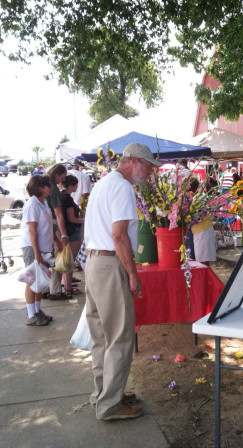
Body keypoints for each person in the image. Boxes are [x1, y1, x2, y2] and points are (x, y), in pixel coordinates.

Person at [84, 142, 162, 421]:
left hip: (94, 262)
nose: (150, 174)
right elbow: (119, 235)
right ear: (133, 162)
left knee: (101, 339)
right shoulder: (122, 187)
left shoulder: (104, 183)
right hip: (108, 263)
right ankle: (110, 403)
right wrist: (132, 274)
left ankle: (104, 394)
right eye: (149, 167)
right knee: (119, 337)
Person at [19, 175, 59, 326]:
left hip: (43, 248)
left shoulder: (43, 203)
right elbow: (32, 231)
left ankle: (37, 310)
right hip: (33, 247)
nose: (50, 187)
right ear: (40, 188)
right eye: (47, 185)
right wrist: (36, 252)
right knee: (32, 280)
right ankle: (31, 314)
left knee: (40, 281)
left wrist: (56, 240)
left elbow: (48, 226)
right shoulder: (32, 205)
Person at [44, 163, 70, 300]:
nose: (63, 180)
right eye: (62, 177)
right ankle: (55, 290)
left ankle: (46, 288)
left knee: (49, 258)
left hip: (46, 225)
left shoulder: (45, 184)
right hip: (54, 223)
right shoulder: (53, 188)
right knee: (57, 256)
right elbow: (58, 213)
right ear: (56, 175)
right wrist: (63, 233)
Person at [60, 174, 85, 296]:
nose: (77, 187)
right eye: (76, 185)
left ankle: (66, 285)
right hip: (72, 232)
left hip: (65, 231)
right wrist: (86, 220)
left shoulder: (61, 194)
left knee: (66, 261)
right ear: (71, 185)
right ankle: (68, 288)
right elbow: (72, 218)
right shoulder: (68, 199)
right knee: (70, 262)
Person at [189, 178, 216, 266]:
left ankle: (208, 279)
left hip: (203, 231)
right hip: (202, 230)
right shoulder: (199, 197)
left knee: (203, 262)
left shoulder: (198, 198)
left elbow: (199, 216)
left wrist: (187, 217)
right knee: (203, 261)